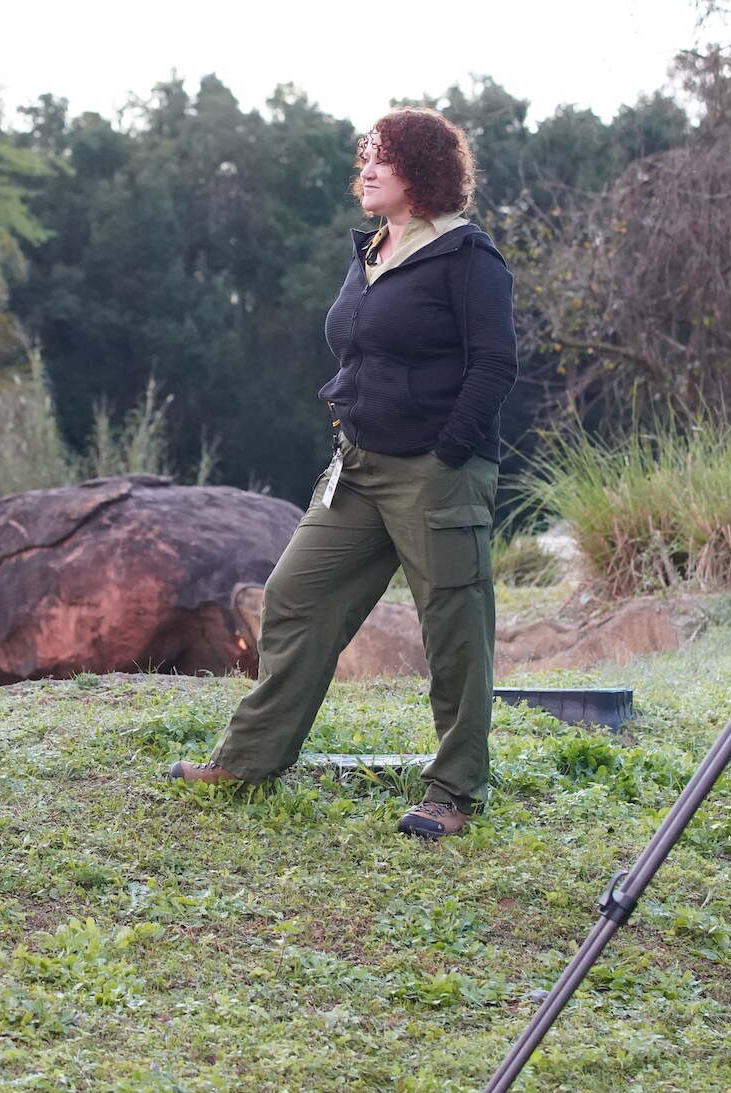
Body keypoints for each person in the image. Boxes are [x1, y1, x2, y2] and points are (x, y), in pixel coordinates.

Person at [169, 106, 518, 839]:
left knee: (453, 629)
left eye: (381, 159)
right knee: (295, 594)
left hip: (436, 472)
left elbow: (495, 364)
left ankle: (454, 791)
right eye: (364, 155)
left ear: (421, 173)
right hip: (358, 466)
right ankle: (251, 758)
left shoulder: (466, 257)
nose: (365, 169)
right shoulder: (373, 250)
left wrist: (448, 451)